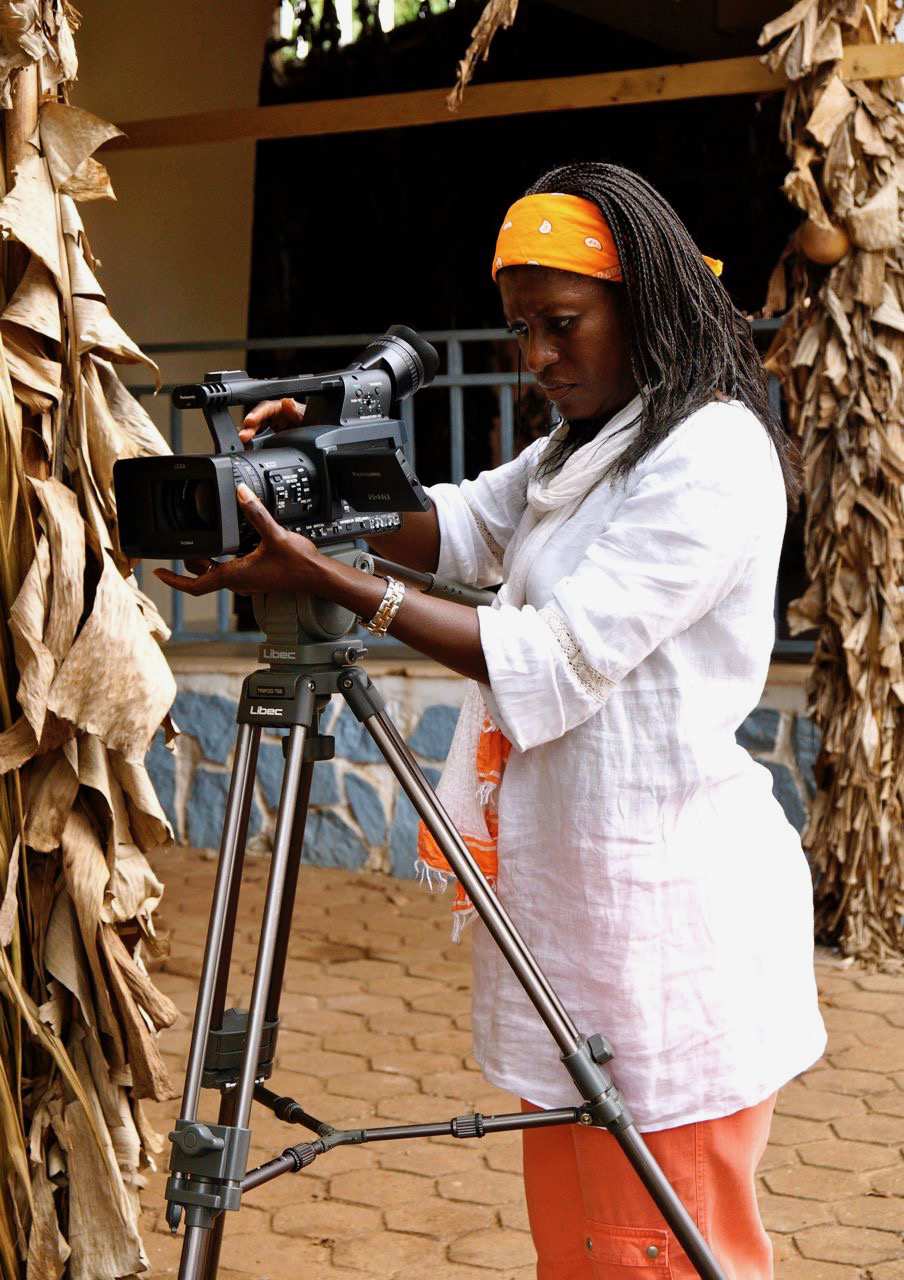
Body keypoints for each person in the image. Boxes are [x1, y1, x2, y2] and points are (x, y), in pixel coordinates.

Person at [157, 161, 827, 1278]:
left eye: (562, 324)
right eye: (521, 329)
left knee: (655, 1252)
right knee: (584, 1251)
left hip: (663, 939)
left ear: (647, 304)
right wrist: (315, 478)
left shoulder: (707, 454)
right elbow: (459, 526)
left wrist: (334, 580)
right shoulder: (589, 444)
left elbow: (556, 654)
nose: (538, 358)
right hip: (583, 929)